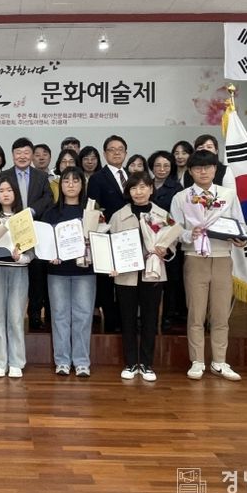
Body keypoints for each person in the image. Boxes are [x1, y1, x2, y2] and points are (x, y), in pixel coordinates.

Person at [170, 150, 247, 382]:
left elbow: (240, 224)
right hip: (195, 257)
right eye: (198, 168)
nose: (203, 172)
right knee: (196, 312)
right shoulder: (181, 197)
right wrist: (189, 234)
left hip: (222, 257)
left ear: (215, 169)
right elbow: (175, 230)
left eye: (208, 167)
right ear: (190, 171)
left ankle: (219, 361)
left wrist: (241, 238)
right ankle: (197, 361)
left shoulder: (228, 195)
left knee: (221, 313)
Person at [109, 172, 177, 383]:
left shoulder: (162, 215)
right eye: (133, 188)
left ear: (151, 189)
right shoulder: (118, 216)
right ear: (128, 192)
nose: (138, 192)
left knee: (149, 319)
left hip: (153, 274)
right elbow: (110, 245)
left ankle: (146, 364)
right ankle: (131, 363)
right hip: (126, 276)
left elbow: (173, 242)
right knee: (127, 320)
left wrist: (165, 250)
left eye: (142, 187)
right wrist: (111, 263)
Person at [43, 166, 96, 378]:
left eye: (76, 180)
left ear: (82, 185)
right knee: (59, 316)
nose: (71, 184)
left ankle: (82, 361)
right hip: (57, 271)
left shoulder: (91, 213)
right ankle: (62, 361)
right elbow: (44, 244)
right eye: (66, 181)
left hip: (85, 271)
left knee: (83, 316)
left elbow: (100, 241)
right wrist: (50, 254)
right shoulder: (51, 213)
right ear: (60, 185)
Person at [0, 138, 53, 332]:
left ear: (31, 155)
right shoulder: (3, 175)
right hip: (11, 231)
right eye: (18, 153)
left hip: (34, 229)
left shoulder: (41, 176)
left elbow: (48, 197)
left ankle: (35, 314)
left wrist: (32, 210)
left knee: (37, 273)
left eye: (26, 153)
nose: (22, 156)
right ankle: (10, 317)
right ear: (13, 155)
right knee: (14, 272)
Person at [0, 174, 31, 378]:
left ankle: (16, 362)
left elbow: (32, 252)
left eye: (9, 190)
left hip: (19, 271)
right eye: (1, 190)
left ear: (16, 194)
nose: (5, 194)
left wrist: (21, 257)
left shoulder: (23, 218)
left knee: (16, 317)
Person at [86, 135, 129, 332]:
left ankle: (125, 321)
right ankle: (111, 324)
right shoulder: (97, 179)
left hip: (129, 239)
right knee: (106, 283)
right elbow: (93, 210)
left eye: (120, 149)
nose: (116, 153)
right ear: (105, 154)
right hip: (106, 237)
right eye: (112, 149)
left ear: (126, 153)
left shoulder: (132, 176)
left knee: (126, 281)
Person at [148, 150, 186, 333]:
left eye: (166, 165)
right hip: (149, 240)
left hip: (169, 241)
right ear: (151, 167)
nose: (161, 169)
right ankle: (149, 318)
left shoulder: (177, 188)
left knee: (170, 282)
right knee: (150, 280)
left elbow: (178, 218)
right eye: (157, 165)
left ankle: (168, 318)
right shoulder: (146, 185)